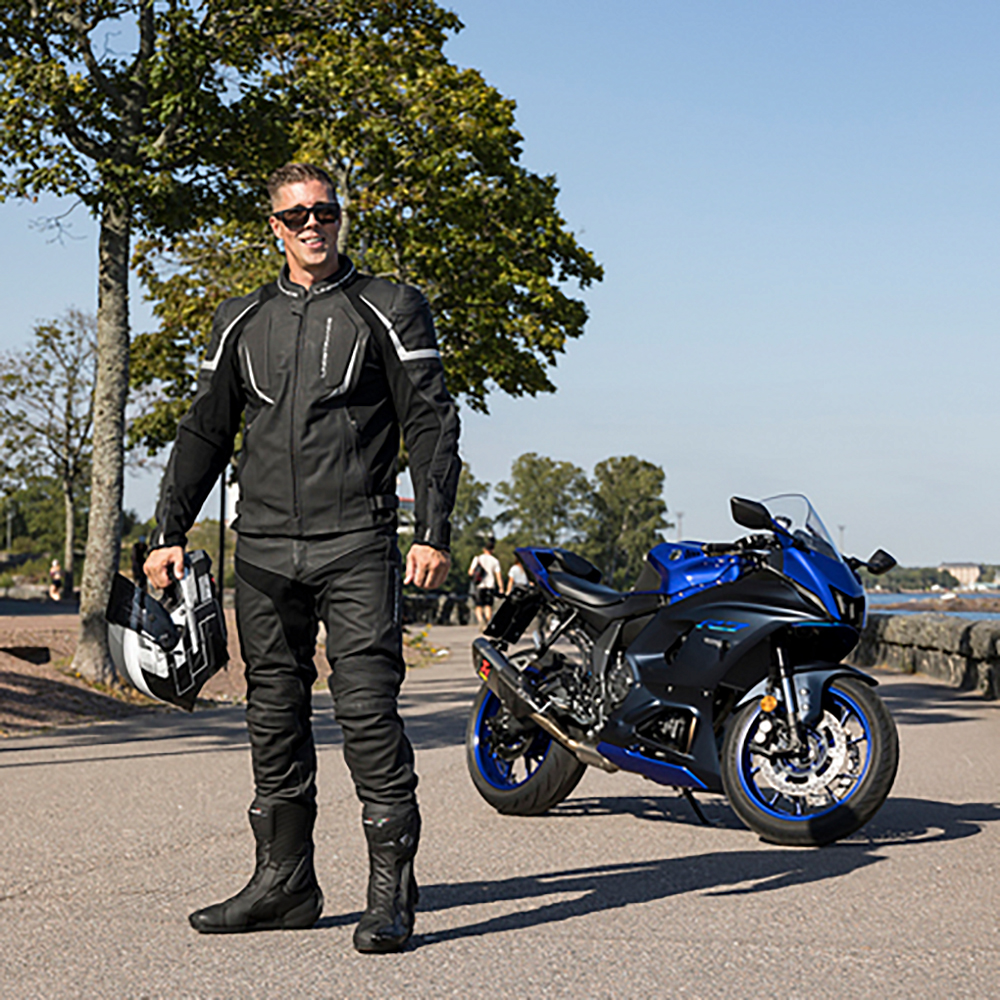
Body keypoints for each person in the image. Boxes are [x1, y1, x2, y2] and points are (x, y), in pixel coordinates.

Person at [144, 163, 460, 952]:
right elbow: (205, 430)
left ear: (340, 218)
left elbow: (430, 422)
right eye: (297, 216)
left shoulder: (389, 305)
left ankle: (390, 891)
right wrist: (166, 532)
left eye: (325, 211)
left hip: (356, 543)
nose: (313, 224)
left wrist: (433, 531)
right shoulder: (240, 318)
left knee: (366, 713)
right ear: (274, 228)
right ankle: (284, 883)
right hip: (261, 551)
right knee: (272, 716)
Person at [468, 538, 503, 629]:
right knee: (488, 605)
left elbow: (470, 572)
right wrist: (501, 588)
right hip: (490, 585)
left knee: (478, 605)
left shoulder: (477, 558)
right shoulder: (495, 561)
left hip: (479, 585)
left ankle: (481, 621)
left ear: (484, 549)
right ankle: (487, 622)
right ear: (492, 550)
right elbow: (498, 576)